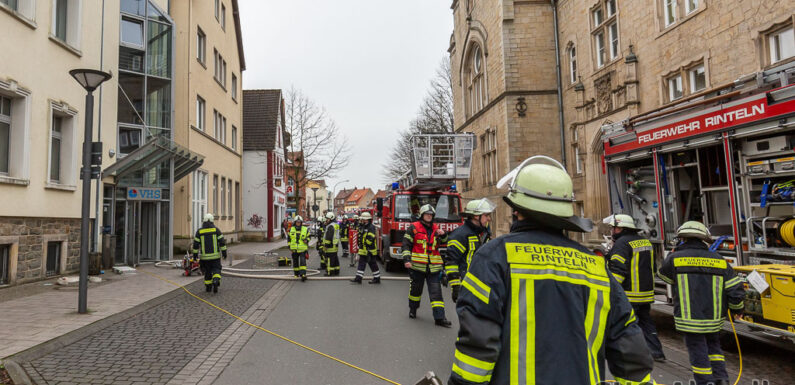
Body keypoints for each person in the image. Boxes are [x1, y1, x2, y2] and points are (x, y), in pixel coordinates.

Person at [449, 156, 654, 385]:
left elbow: (477, 343)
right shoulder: (595, 267)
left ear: (517, 209)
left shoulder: (495, 257)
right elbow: (629, 349)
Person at [658, 221, 745, 385]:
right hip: (713, 318)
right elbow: (735, 289)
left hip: (689, 317)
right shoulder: (719, 260)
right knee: (714, 348)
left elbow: (664, 277)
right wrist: (736, 309)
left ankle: (705, 382)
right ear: (704, 239)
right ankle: (721, 379)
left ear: (682, 238)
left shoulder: (675, 258)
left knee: (697, 349)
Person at [603, 214, 667, 362]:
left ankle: (633, 355)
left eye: (614, 228)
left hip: (629, 294)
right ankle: (656, 352)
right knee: (647, 324)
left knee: (628, 325)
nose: (612, 231)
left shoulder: (622, 244)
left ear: (620, 228)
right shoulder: (645, 242)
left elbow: (618, 271)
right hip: (646, 294)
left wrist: (612, 290)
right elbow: (652, 267)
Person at [402, 204, 452, 327]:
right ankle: (413, 310)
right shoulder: (413, 228)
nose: (429, 216)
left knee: (436, 293)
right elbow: (406, 244)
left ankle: (440, 318)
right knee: (415, 291)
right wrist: (406, 259)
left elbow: (446, 242)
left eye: (431, 215)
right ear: (422, 215)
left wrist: (444, 234)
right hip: (417, 267)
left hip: (433, 268)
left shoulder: (436, 228)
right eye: (427, 214)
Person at [444, 198, 495, 303]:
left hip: (483, 283)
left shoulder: (484, 233)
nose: (489, 219)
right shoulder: (460, 235)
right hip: (467, 284)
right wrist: (456, 287)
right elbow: (451, 261)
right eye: (486, 215)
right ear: (476, 216)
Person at [192, 213, 228, 293]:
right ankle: (215, 281)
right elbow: (222, 243)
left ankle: (208, 287)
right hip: (215, 257)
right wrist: (224, 253)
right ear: (212, 221)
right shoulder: (216, 230)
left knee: (207, 272)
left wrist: (195, 256)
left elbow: (195, 245)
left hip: (204, 258)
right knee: (216, 269)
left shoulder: (199, 231)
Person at [350, 212, 382, 284]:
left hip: (369, 250)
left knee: (372, 264)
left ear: (366, 220)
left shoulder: (371, 227)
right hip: (364, 249)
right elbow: (361, 237)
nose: (361, 221)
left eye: (363, 219)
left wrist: (366, 247)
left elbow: (371, 238)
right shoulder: (364, 226)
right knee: (362, 263)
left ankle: (377, 278)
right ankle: (358, 278)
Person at [288, 216, 309, 282]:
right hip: (294, 249)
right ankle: (296, 274)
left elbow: (309, 237)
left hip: (302, 249)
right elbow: (289, 239)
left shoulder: (305, 229)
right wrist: (289, 247)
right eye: (297, 222)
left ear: (301, 222)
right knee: (295, 262)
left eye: (299, 222)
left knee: (303, 262)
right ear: (295, 222)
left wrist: (307, 240)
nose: (298, 223)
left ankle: (303, 275)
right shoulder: (291, 229)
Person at [322, 212, 341, 276]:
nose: (326, 220)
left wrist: (326, 245)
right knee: (335, 258)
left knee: (330, 259)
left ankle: (330, 272)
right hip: (335, 245)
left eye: (327, 219)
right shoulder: (335, 225)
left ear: (331, 219)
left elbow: (329, 237)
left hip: (330, 246)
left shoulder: (330, 226)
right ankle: (336, 271)